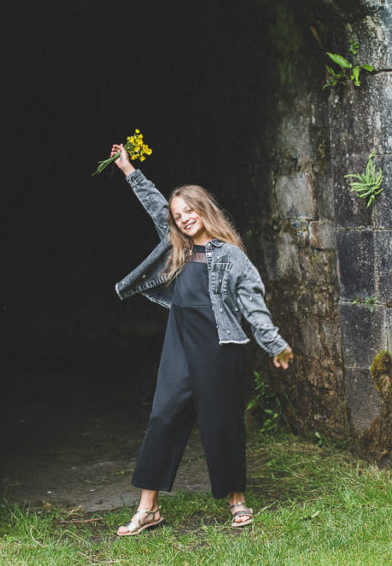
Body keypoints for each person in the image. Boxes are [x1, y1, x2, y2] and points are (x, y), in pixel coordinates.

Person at [109, 144, 295, 536]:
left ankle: (237, 499)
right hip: (179, 343)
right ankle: (148, 509)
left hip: (219, 346)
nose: (183, 219)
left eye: (189, 211)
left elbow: (253, 306)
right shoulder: (176, 246)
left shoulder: (231, 256)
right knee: (163, 417)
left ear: (204, 210)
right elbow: (154, 203)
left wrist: (274, 343)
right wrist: (128, 168)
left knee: (222, 421)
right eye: (178, 216)